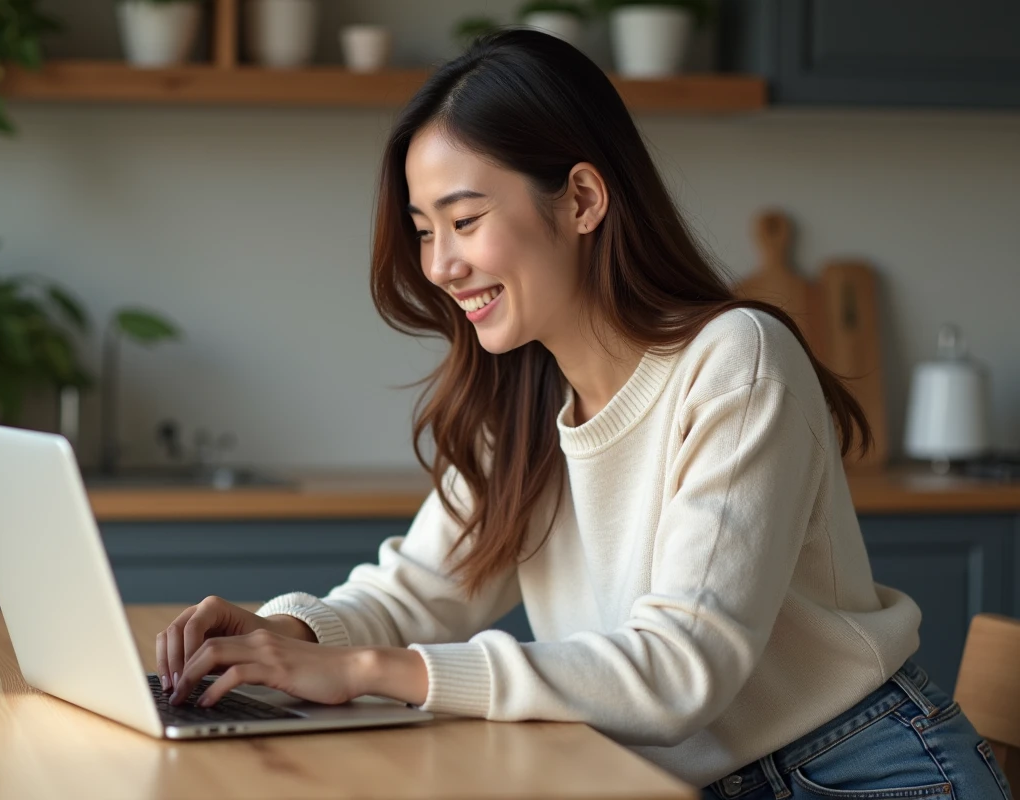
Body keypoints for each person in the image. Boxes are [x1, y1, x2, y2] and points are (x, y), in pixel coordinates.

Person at [155, 30, 1013, 798]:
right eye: (424, 229)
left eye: (465, 219)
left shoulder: (736, 359)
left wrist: (369, 671)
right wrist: (286, 630)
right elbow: (421, 588)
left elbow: (683, 671)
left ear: (582, 200)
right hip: (651, 778)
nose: (441, 265)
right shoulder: (523, 394)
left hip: (858, 769)